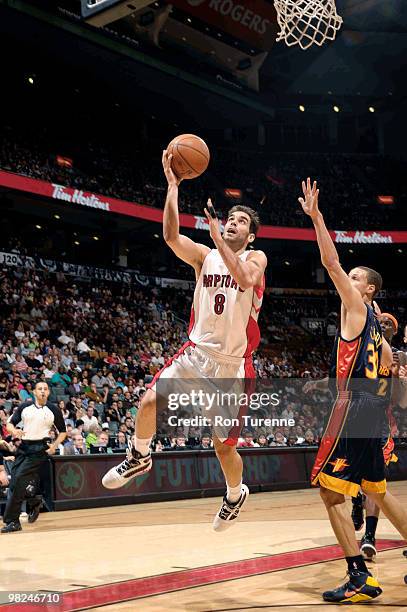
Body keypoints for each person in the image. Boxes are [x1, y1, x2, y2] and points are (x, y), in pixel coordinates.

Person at [102, 149, 267, 532]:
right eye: (229, 219)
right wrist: (173, 186)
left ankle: (234, 493)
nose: (231, 224)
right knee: (147, 403)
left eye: (240, 222)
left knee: (223, 446)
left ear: (251, 235)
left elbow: (244, 279)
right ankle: (139, 456)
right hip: (196, 353)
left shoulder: (257, 258)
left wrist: (217, 239)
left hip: (232, 366)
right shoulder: (205, 256)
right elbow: (171, 235)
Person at [299, 177, 407, 603]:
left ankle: (359, 577)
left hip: (355, 411)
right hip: (374, 411)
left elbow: (330, 263)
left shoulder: (358, 307)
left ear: (368, 290)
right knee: (377, 491)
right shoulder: (380, 335)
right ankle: (361, 572)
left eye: (356, 276)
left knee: (329, 491)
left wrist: (317, 217)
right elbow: (381, 384)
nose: (349, 277)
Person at [351, 313, 407, 559]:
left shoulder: (397, 357)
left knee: (376, 482)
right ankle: (355, 502)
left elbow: (398, 400)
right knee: (353, 477)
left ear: (394, 333)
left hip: (380, 425)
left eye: (388, 324)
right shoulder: (361, 347)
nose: (383, 325)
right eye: (379, 321)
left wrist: (395, 375)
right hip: (353, 419)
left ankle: (370, 536)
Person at [2, 381, 66, 533]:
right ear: (34, 392)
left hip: (40, 449)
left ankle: (13, 521)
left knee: (17, 481)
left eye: (45, 389)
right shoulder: (25, 407)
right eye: (39, 389)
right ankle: (34, 500)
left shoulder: (53, 409)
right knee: (14, 483)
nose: (43, 391)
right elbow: (10, 424)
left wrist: (55, 445)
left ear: (48, 392)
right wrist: (14, 432)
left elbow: (63, 431)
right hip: (24, 448)